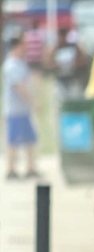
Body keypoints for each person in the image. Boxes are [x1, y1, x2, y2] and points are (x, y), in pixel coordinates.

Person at [3, 38, 39, 180]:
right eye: (23, 46)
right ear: (16, 47)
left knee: (30, 139)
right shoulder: (11, 65)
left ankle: (30, 167)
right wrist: (32, 101)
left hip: (23, 110)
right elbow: (19, 86)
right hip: (15, 110)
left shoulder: (20, 64)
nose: (25, 49)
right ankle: (11, 170)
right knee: (13, 141)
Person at [47, 27, 90, 100]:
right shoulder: (56, 48)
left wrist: (74, 63)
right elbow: (49, 63)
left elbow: (83, 59)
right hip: (60, 79)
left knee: (75, 98)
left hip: (73, 78)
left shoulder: (73, 46)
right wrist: (57, 65)